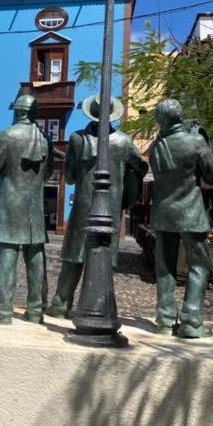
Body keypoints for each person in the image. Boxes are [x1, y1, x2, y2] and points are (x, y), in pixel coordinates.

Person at [47, 94, 148, 319]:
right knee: (103, 259)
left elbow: (71, 177)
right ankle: (100, 307)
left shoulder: (77, 139)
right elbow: (141, 166)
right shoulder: (124, 142)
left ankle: (61, 303)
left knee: (74, 256)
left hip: (84, 205)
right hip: (110, 209)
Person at [149, 99, 213, 338]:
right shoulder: (195, 141)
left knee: (165, 267)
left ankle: (165, 320)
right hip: (190, 213)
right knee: (199, 265)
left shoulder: (156, 146)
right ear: (180, 116)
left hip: (163, 213)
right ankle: (191, 321)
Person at [0, 95, 53, 324]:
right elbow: (48, 174)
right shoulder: (44, 140)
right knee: (36, 260)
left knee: (7, 259)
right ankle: (36, 311)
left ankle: (1, 311)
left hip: (11, 208)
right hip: (35, 210)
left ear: (17, 112)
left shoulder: (8, 135)